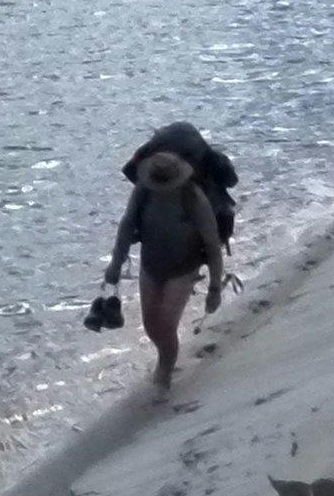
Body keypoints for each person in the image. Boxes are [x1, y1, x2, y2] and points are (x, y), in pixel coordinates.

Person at [97, 123, 237, 391]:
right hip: (150, 265)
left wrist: (214, 288)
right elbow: (126, 226)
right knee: (151, 325)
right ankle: (165, 360)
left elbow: (212, 246)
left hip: (184, 268)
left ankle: (164, 374)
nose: (159, 188)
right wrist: (115, 264)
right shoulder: (143, 191)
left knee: (166, 325)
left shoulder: (194, 198)